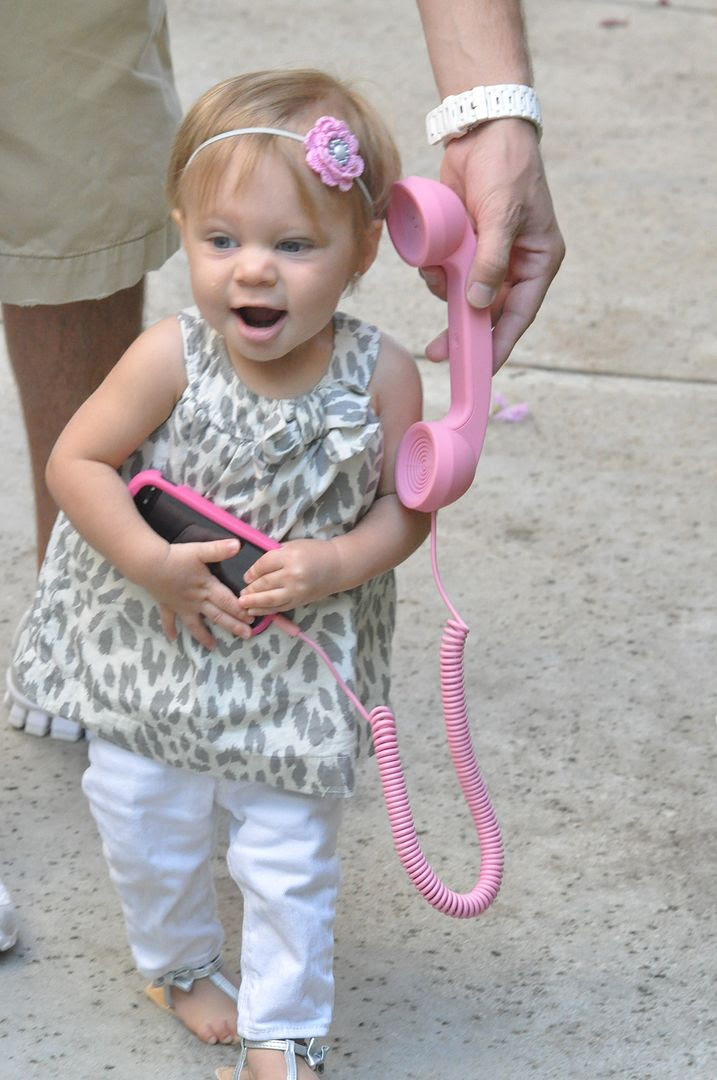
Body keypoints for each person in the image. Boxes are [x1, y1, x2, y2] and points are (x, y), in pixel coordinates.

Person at [11, 69, 431, 1077]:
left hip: (291, 666)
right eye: (222, 240)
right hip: (157, 649)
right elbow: (76, 462)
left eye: (294, 245)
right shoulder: (170, 357)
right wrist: (153, 564)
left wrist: (336, 561)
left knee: (288, 854)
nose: (254, 272)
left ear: (363, 248)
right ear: (182, 234)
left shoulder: (381, 376)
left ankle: (284, 1030)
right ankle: (179, 963)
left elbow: (406, 509)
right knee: (144, 823)